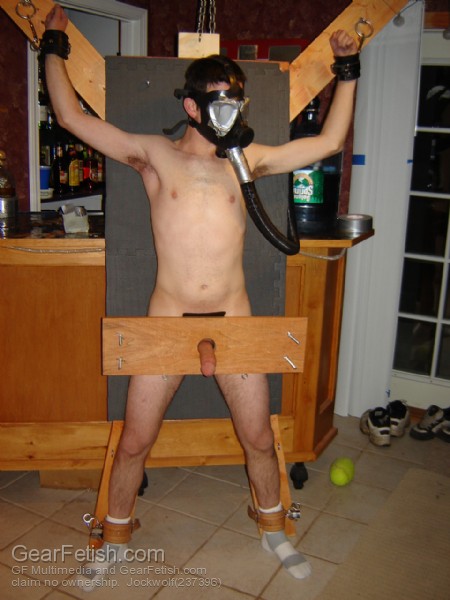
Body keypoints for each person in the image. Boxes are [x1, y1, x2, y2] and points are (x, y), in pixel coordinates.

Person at [42, 3, 359, 588]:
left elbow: (330, 140)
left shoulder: (248, 160)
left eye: (236, 103)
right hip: (167, 320)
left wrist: (348, 69)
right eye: (218, 103)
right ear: (192, 107)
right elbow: (68, 116)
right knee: (134, 442)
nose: (229, 113)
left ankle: (273, 528)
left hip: (235, 319)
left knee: (258, 436)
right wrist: (53, 47)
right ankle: (115, 536)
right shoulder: (154, 155)